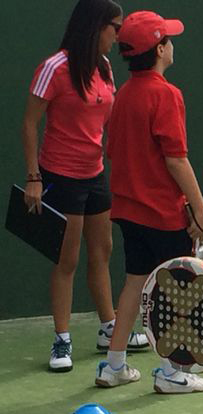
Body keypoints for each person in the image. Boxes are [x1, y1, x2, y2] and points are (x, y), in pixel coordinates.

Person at [21, 0, 149, 372]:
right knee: (67, 258)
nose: (119, 36)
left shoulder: (105, 68)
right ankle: (62, 340)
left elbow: (105, 123)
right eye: (116, 27)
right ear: (96, 27)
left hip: (95, 174)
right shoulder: (53, 68)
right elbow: (30, 124)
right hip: (59, 175)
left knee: (103, 250)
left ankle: (109, 326)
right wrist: (34, 177)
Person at [94, 10, 203, 394]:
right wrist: (199, 206)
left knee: (135, 284)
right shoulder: (166, 95)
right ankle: (172, 372)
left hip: (129, 212)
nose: (174, 45)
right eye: (170, 40)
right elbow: (175, 158)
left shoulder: (123, 96)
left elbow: (114, 150)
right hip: (163, 214)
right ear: (160, 49)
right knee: (174, 290)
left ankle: (114, 365)